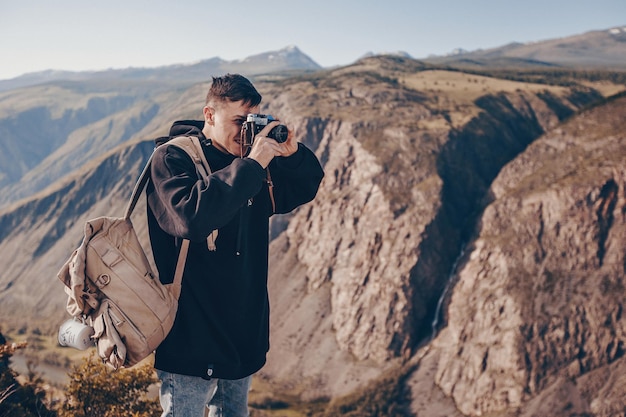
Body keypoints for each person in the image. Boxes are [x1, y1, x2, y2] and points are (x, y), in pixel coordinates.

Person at [146, 73, 324, 417]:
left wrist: (292, 154)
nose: (245, 132)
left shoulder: (252, 164)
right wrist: (253, 164)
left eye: (252, 122)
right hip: (191, 339)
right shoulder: (172, 160)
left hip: (241, 338)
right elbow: (191, 219)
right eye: (238, 121)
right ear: (209, 115)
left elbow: (307, 186)